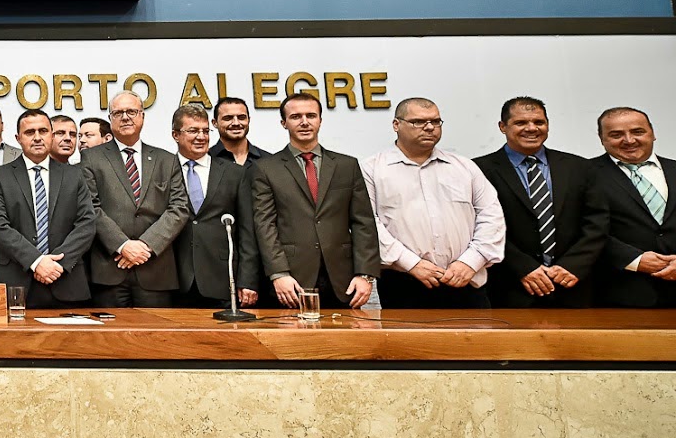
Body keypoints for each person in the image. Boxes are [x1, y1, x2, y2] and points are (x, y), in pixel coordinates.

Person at [362, 98, 504, 310]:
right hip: (404, 282)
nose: (429, 127)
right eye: (418, 122)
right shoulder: (372, 169)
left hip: (466, 279)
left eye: (435, 122)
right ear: (396, 125)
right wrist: (412, 264)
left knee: (476, 342)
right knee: (411, 344)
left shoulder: (464, 167)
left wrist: (471, 261)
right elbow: (368, 224)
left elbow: (491, 216)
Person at [474, 97, 608, 308]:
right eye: (521, 123)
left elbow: (597, 223)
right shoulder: (477, 170)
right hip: (509, 286)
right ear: (502, 126)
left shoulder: (579, 167)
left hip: (572, 284)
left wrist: (572, 266)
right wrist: (523, 267)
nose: (531, 128)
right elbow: (477, 226)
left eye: (539, 122)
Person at [249, 94, 379, 310]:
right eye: (296, 116)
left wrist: (365, 274)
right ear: (284, 123)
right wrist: (278, 273)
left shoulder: (347, 165)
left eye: (311, 115)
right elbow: (264, 226)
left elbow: (363, 223)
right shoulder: (265, 168)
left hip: (343, 280)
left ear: (320, 120)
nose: (304, 122)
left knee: (344, 342)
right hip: (291, 280)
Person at [81, 91, 191, 307]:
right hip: (110, 268)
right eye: (118, 112)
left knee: (157, 338)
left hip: (155, 268)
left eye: (131, 111)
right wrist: (122, 245)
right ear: (110, 118)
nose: (125, 117)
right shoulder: (91, 158)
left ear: (142, 116)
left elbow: (179, 208)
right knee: (108, 338)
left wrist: (146, 245)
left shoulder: (166, 160)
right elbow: (90, 206)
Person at [0, 110, 98, 308]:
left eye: (43, 131)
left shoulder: (73, 175)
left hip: (66, 279)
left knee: (72, 340)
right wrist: (37, 261)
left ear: (51, 135)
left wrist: (57, 265)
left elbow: (86, 224)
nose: (37, 137)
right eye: (29, 132)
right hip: (17, 280)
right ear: (18, 138)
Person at [169, 104, 260, 309]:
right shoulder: (162, 168)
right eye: (193, 131)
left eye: (204, 130)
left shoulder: (234, 173)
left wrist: (247, 280)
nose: (201, 137)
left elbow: (247, 231)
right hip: (173, 280)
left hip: (223, 279)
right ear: (175, 134)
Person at [590, 107, 676, 308]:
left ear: (652, 133)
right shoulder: (583, 175)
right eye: (616, 134)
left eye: (638, 132)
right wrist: (634, 259)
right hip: (619, 294)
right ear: (602, 139)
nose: (629, 140)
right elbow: (581, 228)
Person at [209, 97, 269, 165]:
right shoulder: (206, 159)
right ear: (215, 123)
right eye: (228, 118)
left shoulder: (268, 160)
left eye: (241, 118)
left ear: (248, 120)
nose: (236, 123)